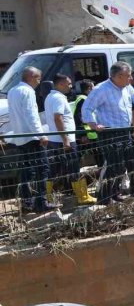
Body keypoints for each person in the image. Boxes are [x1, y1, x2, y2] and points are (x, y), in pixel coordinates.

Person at [82, 61, 134, 204]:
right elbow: (87, 108)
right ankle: (104, 197)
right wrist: (93, 124)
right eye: (128, 76)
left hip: (124, 131)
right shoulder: (101, 89)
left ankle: (114, 193)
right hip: (109, 132)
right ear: (119, 76)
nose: (131, 79)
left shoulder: (127, 87)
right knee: (114, 165)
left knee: (122, 166)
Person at [6, 67, 59, 213]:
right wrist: (41, 134)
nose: (39, 81)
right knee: (42, 169)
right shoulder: (28, 91)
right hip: (32, 137)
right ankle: (41, 202)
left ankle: (27, 203)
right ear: (31, 77)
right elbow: (31, 115)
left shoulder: (12, 91)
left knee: (26, 171)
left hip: (20, 137)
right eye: (38, 78)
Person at [43, 74, 95, 205]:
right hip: (64, 139)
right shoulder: (59, 98)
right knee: (74, 167)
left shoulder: (50, 97)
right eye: (68, 83)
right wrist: (65, 139)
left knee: (54, 169)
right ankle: (82, 197)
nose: (71, 86)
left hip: (55, 139)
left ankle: (47, 198)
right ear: (60, 84)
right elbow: (58, 118)